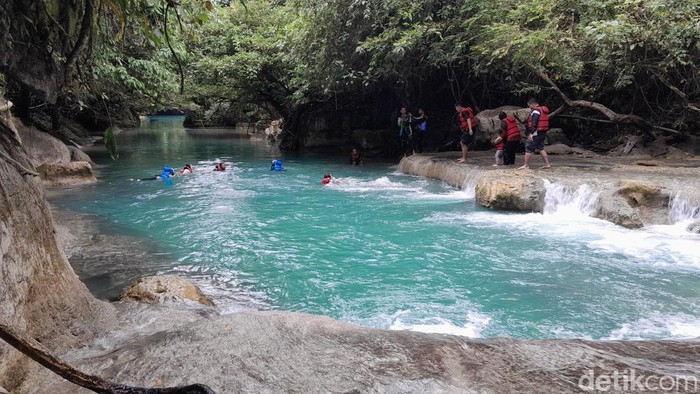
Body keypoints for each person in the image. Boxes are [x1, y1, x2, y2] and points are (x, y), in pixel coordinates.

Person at [519, 99, 551, 170]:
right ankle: (547, 164)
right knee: (540, 148)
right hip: (542, 132)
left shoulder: (536, 111)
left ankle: (526, 165)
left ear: (533, 104)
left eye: (529, 105)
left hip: (536, 132)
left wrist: (532, 133)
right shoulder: (542, 110)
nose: (529, 107)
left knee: (529, 147)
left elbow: (534, 123)